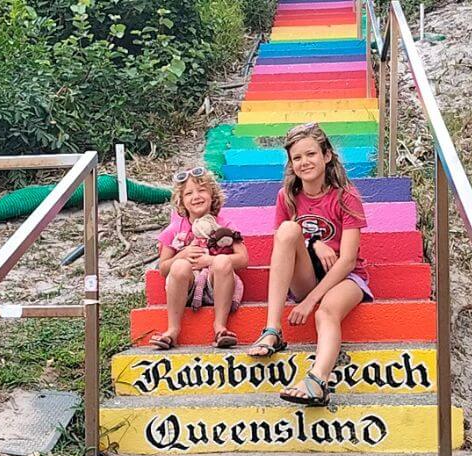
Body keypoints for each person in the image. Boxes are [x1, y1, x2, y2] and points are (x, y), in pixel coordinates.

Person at [246, 123, 373, 406]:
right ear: (291, 164)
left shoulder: (346, 196)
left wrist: (310, 302)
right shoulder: (288, 197)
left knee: (325, 312)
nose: (305, 162)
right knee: (289, 231)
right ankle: (272, 330)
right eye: (297, 158)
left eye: (311, 154)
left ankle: (317, 381)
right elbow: (284, 243)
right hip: (306, 276)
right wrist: (314, 242)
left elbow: (348, 259)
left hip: (346, 278)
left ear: (326, 155)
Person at [151, 167, 248, 349]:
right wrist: (182, 255)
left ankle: (220, 327)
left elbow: (243, 259)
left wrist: (210, 261)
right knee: (179, 266)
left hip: (216, 285)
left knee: (221, 261)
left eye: (202, 190)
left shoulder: (224, 224)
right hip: (185, 288)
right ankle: (172, 330)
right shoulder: (174, 228)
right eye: (189, 193)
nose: (196, 196)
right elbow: (163, 268)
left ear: (213, 195)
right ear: (181, 202)